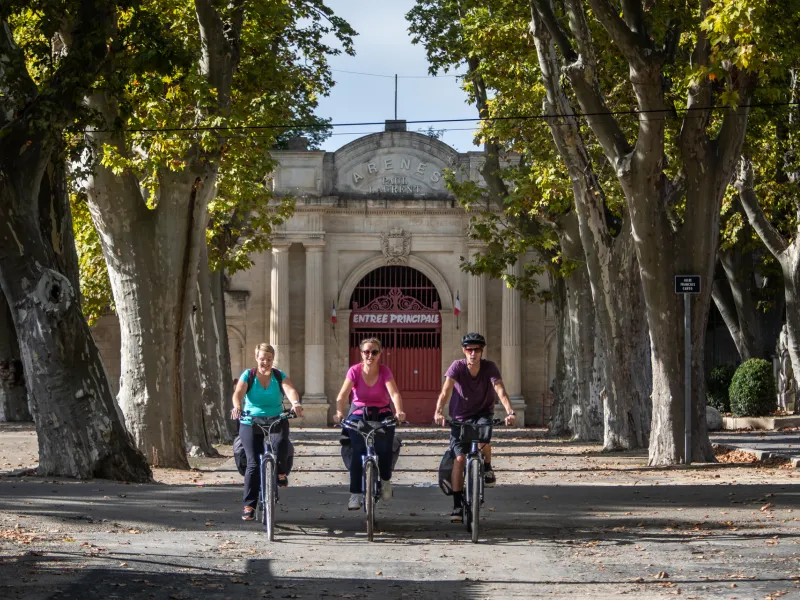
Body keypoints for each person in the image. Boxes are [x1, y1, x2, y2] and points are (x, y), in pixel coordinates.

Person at [433, 332, 516, 523]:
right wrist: (438, 411)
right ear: (464, 350)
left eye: (477, 349)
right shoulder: (457, 367)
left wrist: (510, 411)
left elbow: (499, 388)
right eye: (469, 349)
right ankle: (456, 505)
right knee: (460, 459)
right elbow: (446, 391)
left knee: (484, 440)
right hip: (460, 417)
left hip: (482, 414)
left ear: (481, 351)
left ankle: (486, 466)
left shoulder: (489, 367)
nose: (473, 353)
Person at [231, 343, 303, 521]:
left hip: (276, 419)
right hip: (250, 421)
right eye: (262, 359)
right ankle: (249, 506)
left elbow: (290, 390)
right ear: (256, 358)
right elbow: (238, 393)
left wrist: (295, 403)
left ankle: (280, 472)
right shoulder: (249, 375)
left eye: (269, 359)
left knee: (280, 445)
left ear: (273, 360)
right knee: (253, 463)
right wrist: (237, 407)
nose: (265, 362)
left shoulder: (278, 375)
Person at [334, 337, 406, 510]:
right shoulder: (354, 371)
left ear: (380, 354)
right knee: (358, 450)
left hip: (382, 414)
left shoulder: (384, 371)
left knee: (385, 448)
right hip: (359, 415)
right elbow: (342, 395)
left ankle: (386, 481)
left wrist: (399, 411)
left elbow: (394, 393)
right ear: (361, 353)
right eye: (366, 352)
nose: (370, 355)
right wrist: (339, 412)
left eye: (374, 352)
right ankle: (355, 494)